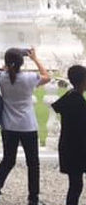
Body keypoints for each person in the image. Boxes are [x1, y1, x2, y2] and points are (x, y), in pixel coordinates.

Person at [0, 47, 50, 205]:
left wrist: (10, 63)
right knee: (33, 163)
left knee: (8, 160)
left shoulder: (1, 76)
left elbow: (1, 71)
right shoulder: (29, 78)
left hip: (8, 126)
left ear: (7, 62)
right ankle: (33, 198)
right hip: (27, 125)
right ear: (22, 62)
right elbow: (47, 76)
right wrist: (34, 58)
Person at [51, 65, 86, 205]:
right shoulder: (78, 103)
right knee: (76, 185)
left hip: (68, 145)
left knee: (75, 183)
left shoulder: (70, 96)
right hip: (77, 148)